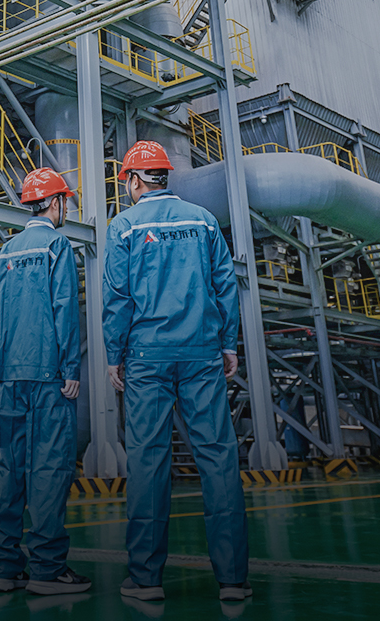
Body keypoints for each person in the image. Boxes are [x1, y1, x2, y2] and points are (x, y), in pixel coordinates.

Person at [103, 140, 251, 602]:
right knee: (218, 459)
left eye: (126, 180)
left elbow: (117, 298)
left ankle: (146, 580)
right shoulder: (203, 220)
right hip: (202, 353)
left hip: (146, 358)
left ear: (134, 180)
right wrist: (228, 344)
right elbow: (225, 285)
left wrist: (114, 354)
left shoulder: (124, 226)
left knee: (148, 462)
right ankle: (233, 580)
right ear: (165, 176)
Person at [0, 167, 93, 596]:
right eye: (65, 200)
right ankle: (47, 571)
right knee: (48, 468)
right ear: (55, 202)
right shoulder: (56, 246)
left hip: (11, 377)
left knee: (10, 469)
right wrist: (71, 369)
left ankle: (4, 568)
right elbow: (64, 309)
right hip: (49, 376)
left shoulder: (7, 251)